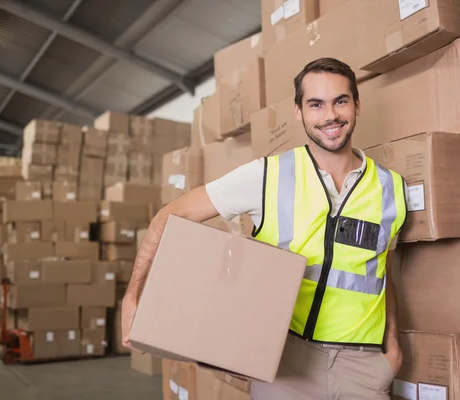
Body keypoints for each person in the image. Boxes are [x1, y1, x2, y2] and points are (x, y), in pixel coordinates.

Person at [121, 58, 408, 399]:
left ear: (357, 104)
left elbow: (382, 269)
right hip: (284, 364)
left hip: (363, 369)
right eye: (315, 104)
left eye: (340, 101)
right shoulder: (267, 175)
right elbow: (169, 216)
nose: (329, 115)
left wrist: (392, 347)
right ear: (299, 112)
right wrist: (133, 296)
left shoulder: (390, 187)